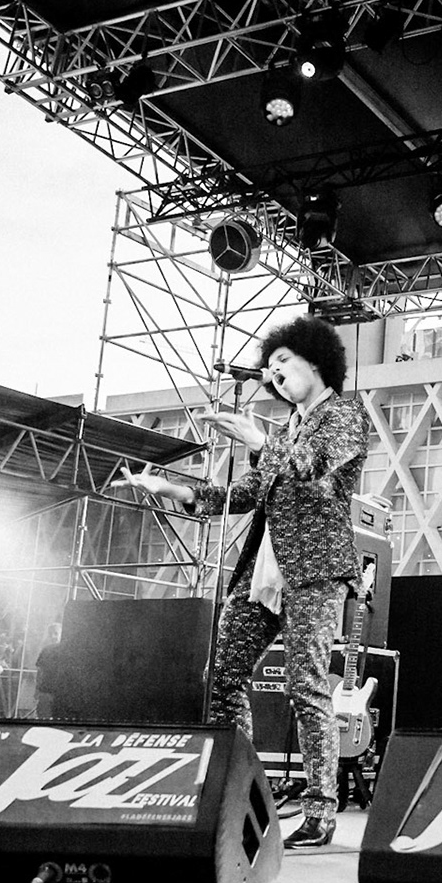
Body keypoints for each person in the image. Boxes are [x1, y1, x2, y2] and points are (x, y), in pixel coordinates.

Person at [119, 315, 372, 848]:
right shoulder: (285, 431)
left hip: (316, 570)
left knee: (306, 684)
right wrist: (174, 490)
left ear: (316, 361)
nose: (273, 374)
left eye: (283, 363)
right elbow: (246, 493)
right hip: (264, 569)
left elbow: (312, 467)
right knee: (224, 675)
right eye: (269, 367)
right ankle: (240, 789)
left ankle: (320, 810)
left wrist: (261, 437)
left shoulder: (345, 413)